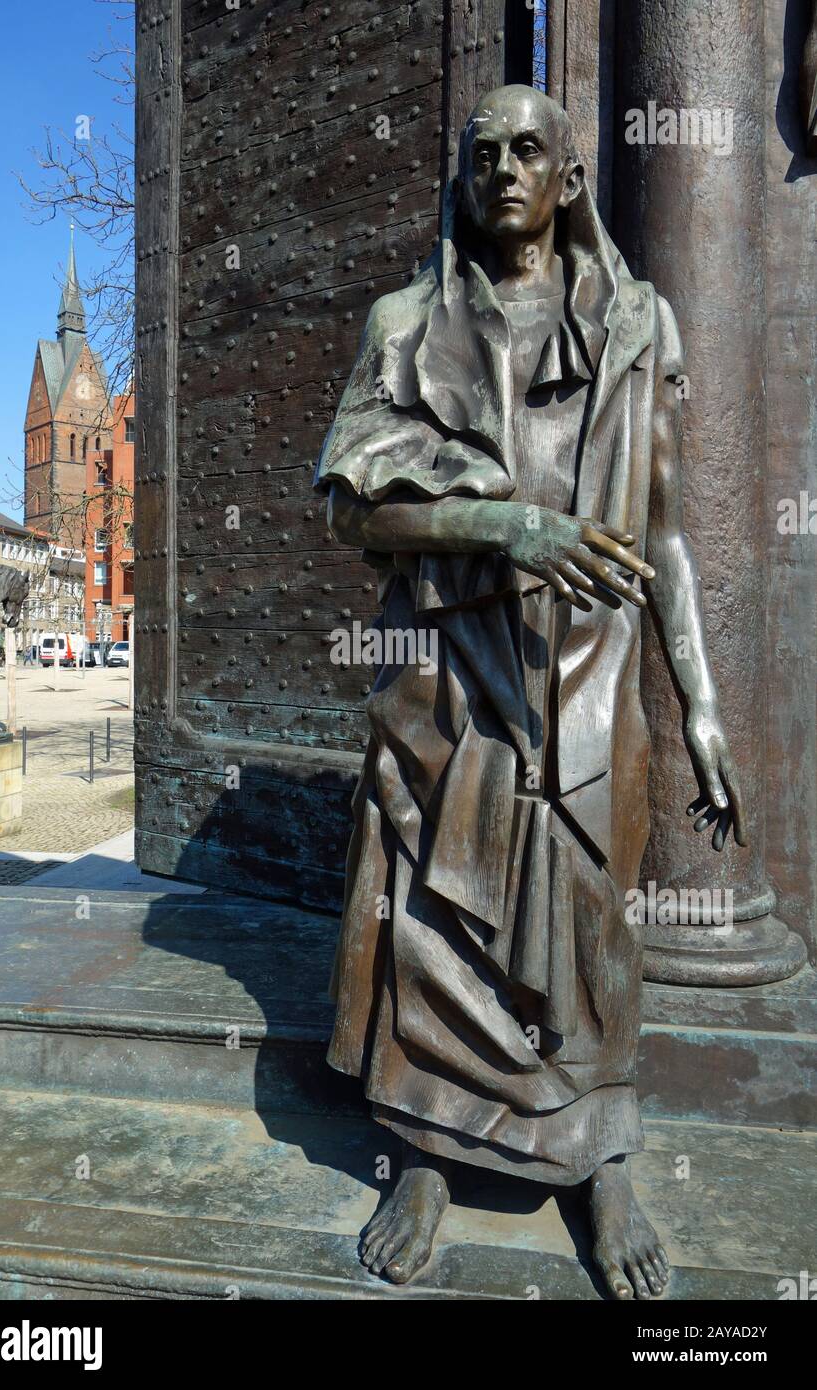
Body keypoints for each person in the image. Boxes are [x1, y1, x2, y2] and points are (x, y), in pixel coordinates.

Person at [314, 85, 746, 1300]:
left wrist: (698, 699)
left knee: (591, 918)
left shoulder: (634, 325)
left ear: (567, 178)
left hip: (592, 668)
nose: (504, 168)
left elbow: (659, 537)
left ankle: (600, 1159)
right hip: (447, 674)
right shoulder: (405, 319)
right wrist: (501, 523)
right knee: (435, 920)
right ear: (461, 176)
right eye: (481, 151)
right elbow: (352, 507)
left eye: (529, 151)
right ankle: (425, 1152)